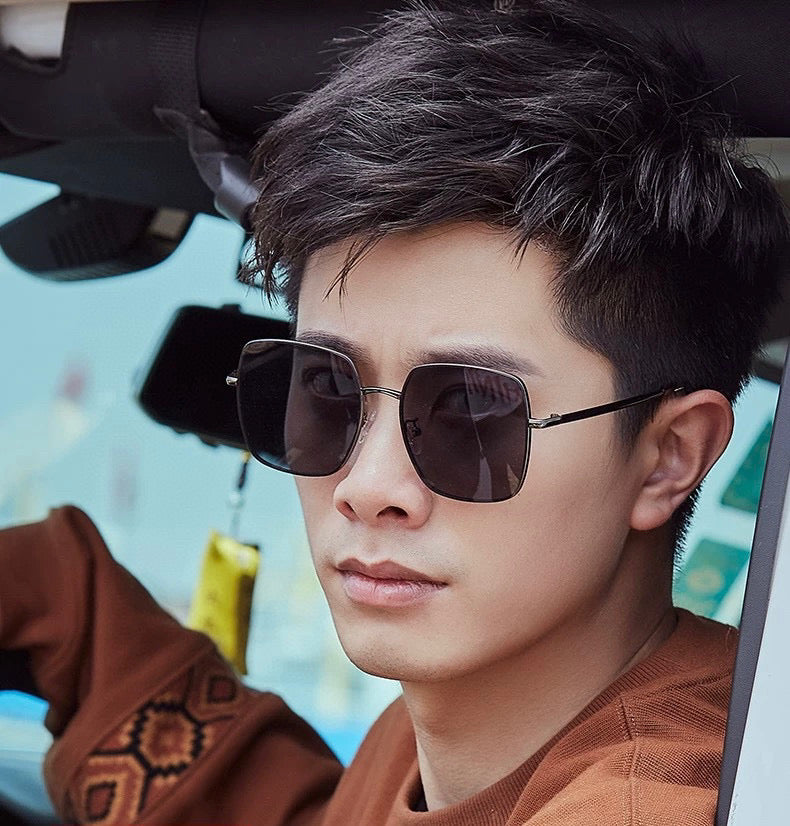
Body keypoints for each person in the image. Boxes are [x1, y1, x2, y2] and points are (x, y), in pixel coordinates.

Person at [1, 1, 787, 824]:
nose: (367, 486)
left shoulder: (649, 802)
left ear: (668, 456)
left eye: (472, 412)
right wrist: (63, 595)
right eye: (327, 391)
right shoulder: (462, 723)